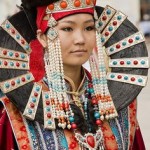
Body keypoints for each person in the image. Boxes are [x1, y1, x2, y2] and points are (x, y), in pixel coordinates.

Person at [0, 0, 148, 149]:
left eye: (89, 27)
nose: (80, 39)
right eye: (68, 28)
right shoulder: (16, 113)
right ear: (43, 38)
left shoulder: (122, 106)